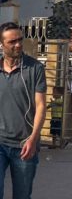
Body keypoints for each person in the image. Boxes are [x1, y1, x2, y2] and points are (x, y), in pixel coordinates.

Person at [0, 22, 46, 199]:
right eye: (12, 41)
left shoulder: (35, 68)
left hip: (24, 144)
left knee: (22, 195)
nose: (18, 44)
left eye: (20, 40)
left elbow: (41, 105)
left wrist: (33, 139)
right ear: (2, 44)